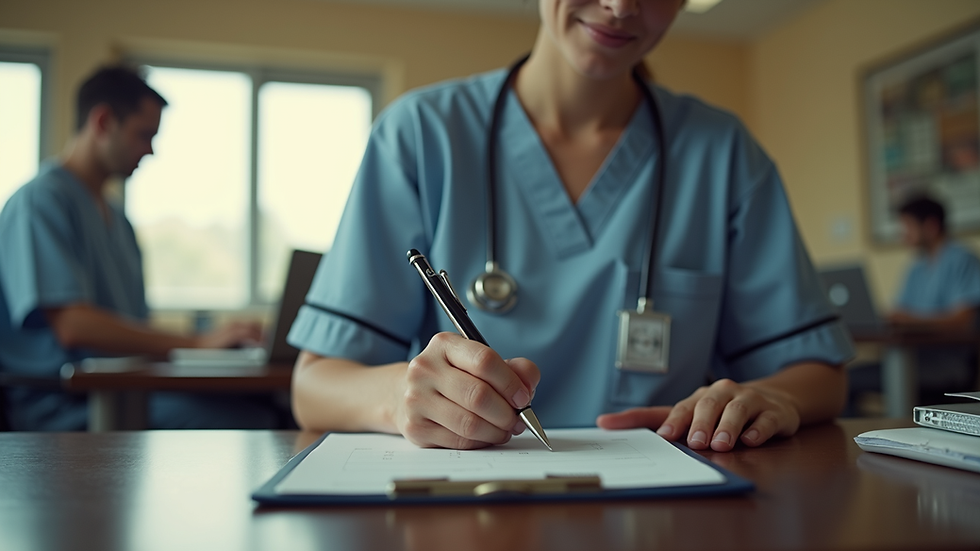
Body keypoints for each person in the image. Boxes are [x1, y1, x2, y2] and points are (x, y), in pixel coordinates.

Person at [288, 0, 854, 452]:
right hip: (472, 509)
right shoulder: (420, 136)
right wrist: (398, 397)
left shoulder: (723, 153)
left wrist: (772, 398)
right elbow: (313, 387)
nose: (620, 5)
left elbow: (819, 376)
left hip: (667, 512)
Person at [0, 65, 281, 430]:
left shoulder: (118, 220)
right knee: (254, 422)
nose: (150, 151)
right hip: (63, 405)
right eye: (143, 135)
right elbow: (72, 326)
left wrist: (209, 348)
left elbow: (132, 331)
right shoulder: (40, 203)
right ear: (102, 122)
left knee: (267, 405)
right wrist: (195, 344)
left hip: (125, 391)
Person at [846, 195, 980, 414]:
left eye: (907, 226)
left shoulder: (962, 259)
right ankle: (873, 434)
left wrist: (909, 319)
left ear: (931, 226)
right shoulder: (916, 267)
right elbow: (900, 313)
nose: (903, 234)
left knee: (849, 380)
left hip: (948, 365)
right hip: (911, 357)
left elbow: (963, 320)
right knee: (844, 379)